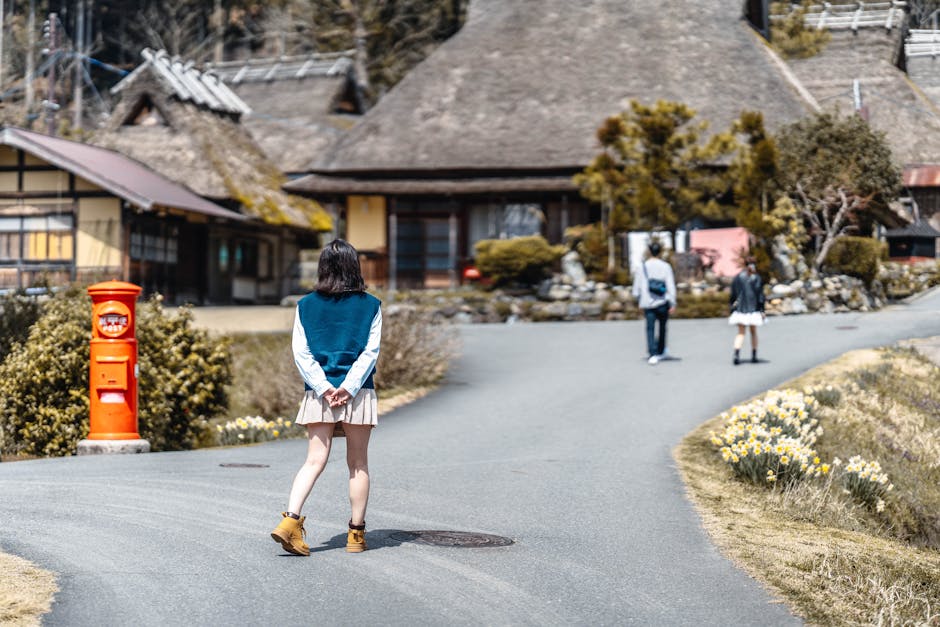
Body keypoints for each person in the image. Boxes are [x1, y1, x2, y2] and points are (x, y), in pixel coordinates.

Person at [270, 239, 382, 556]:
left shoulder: (305, 305)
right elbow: (370, 352)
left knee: (313, 461)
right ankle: (355, 536)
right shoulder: (371, 305)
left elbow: (301, 354)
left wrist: (323, 387)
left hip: (319, 395)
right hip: (359, 393)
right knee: (358, 464)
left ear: (323, 268)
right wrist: (348, 386)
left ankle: (290, 522)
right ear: (354, 266)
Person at [633, 241, 676, 365]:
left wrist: (638, 299)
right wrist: (672, 302)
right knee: (663, 327)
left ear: (649, 251)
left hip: (647, 301)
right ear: (660, 252)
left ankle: (652, 353)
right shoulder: (665, 266)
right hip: (663, 301)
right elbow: (670, 285)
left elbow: (638, 285)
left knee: (650, 328)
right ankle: (661, 350)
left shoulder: (643, 267)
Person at [729, 256, 765, 365]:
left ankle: (736, 353)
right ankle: (754, 354)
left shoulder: (738, 278)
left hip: (740, 309)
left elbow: (733, 294)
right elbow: (760, 295)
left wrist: (732, 307)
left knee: (741, 333)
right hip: (753, 309)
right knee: (753, 332)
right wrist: (762, 309)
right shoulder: (756, 278)